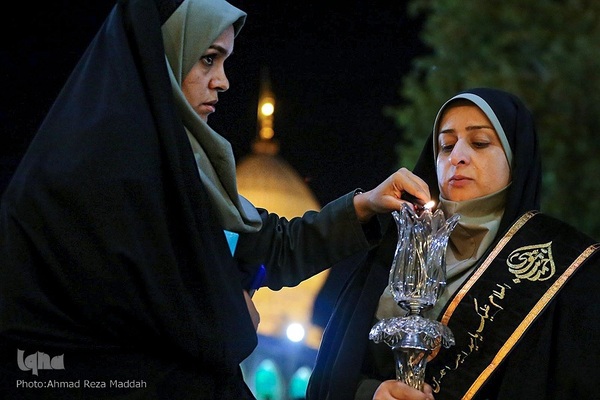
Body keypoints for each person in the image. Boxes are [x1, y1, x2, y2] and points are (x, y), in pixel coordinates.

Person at [0, 0, 432, 399]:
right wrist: (228, 312)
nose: (223, 81)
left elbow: (266, 246)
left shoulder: (185, 170)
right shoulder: (95, 176)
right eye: (208, 59)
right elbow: (171, 324)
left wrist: (365, 206)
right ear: (162, 56)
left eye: (224, 61)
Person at [307, 87, 600, 400]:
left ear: (516, 159)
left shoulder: (569, 269)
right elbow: (330, 379)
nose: (457, 156)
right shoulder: (397, 248)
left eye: (480, 142)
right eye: (446, 145)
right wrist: (371, 393)